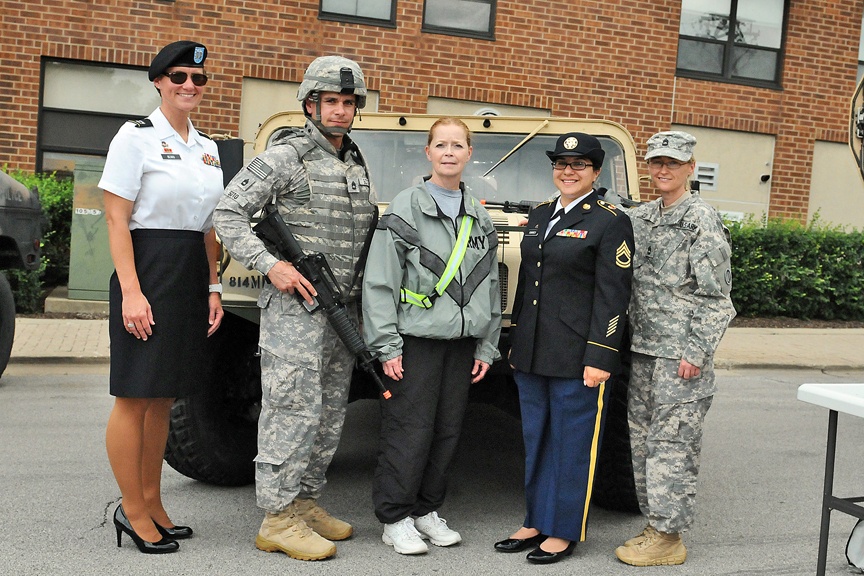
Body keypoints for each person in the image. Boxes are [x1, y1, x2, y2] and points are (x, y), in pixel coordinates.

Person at [213, 55, 375, 562]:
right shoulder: (287, 156)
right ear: (310, 104)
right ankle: (276, 518)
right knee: (291, 410)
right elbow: (227, 212)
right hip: (295, 312)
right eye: (331, 102)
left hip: (339, 311)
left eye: (348, 103)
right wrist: (271, 266)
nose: (341, 111)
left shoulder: (353, 160)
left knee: (327, 414)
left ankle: (305, 503)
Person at [101, 40, 224, 554]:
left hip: (190, 272)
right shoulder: (135, 137)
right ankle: (131, 510)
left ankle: (152, 502)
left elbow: (210, 227)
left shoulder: (208, 148)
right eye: (178, 77)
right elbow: (115, 217)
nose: (189, 86)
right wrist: (132, 290)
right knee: (135, 395)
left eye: (197, 78)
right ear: (158, 81)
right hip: (147, 268)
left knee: (164, 396)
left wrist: (214, 285)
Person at [362, 117, 501, 555]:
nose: (448, 152)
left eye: (457, 145)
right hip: (415, 341)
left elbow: (490, 288)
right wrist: (386, 345)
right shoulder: (406, 208)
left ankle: (426, 510)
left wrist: (487, 344)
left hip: (461, 344)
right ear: (428, 153)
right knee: (409, 430)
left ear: (468, 153)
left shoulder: (479, 215)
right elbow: (379, 282)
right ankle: (394, 516)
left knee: (446, 430)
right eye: (440, 144)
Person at [496, 133, 634, 564]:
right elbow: (526, 289)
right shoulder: (540, 215)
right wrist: (517, 340)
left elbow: (614, 297)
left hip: (579, 356)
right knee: (536, 438)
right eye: (561, 163)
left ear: (595, 173)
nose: (568, 171)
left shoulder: (610, 221)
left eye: (579, 164)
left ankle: (563, 529)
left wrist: (601, 355)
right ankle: (536, 519)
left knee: (572, 444)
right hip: (535, 352)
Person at [614, 131, 735, 567]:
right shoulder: (643, 216)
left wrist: (696, 353)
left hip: (680, 357)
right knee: (644, 443)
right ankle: (656, 525)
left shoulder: (700, 219)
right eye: (656, 162)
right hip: (644, 350)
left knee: (673, 446)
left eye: (672, 162)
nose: (662, 170)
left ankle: (669, 536)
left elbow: (717, 298)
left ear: (689, 167)